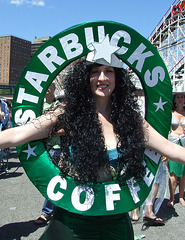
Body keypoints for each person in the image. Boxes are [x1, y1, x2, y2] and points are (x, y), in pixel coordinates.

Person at [1, 59, 185, 240]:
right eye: (95, 72)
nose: (102, 77)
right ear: (85, 78)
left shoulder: (132, 120)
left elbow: (171, 149)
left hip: (115, 222)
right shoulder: (68, 113)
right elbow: (18, 134)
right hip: (73, 221)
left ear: (118, 77)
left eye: (109, 71)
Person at [35, 82, 61, 225]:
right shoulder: (38, 107)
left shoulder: (58, 106)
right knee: (47, 180)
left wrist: (47, 132)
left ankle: (47, 212)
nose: (47, 89)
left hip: (56, 148)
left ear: (54, 88)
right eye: (45, 87)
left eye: (50, 86)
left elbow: (64, 128)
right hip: (42, 148)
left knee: (54, 180)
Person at [168, 92, 185, 207]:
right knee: (172, 173)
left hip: (184, 143)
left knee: (183, 174)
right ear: (174, 99)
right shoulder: (170, 113)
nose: (180, 99)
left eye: (182, 97)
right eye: (178, 97)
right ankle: (171, 197)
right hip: (173, 144)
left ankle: (181, 197)